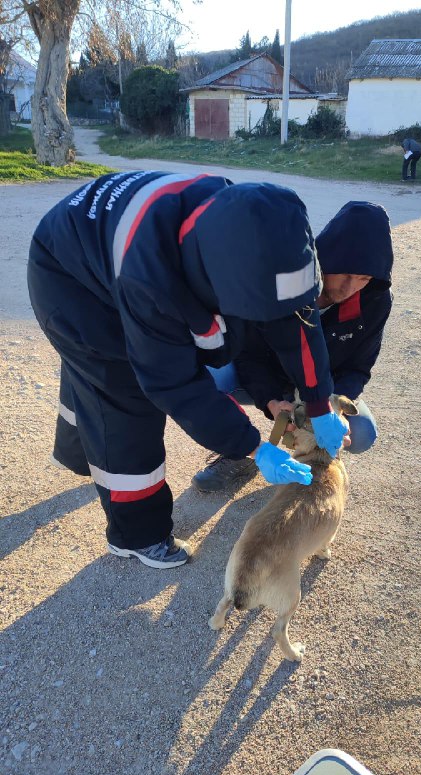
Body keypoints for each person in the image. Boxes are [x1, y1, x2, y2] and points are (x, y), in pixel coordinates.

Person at [27, 172, 349, 569]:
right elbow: (174, 384)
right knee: (121, 393)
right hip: (70, 280)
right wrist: (253, 446)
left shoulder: (254, 229)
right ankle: (136, 535)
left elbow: (296, 322)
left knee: (95, 381)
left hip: (100, 243)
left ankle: (81, 454)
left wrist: (320, 403)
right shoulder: (152, 276)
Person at [193, 201, 394, 492]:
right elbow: (248, 354)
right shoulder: (285, 282)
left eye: (363, 278)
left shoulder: (374, 301)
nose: (350, 287)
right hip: (269, 376)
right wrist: (272, 401)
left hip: (324, 390)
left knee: (362, 433)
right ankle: (242, 450)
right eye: (346, 274)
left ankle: (314, 460)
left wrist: (331, 408)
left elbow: (358, 368)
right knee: (210, 376)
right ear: (326, 258)